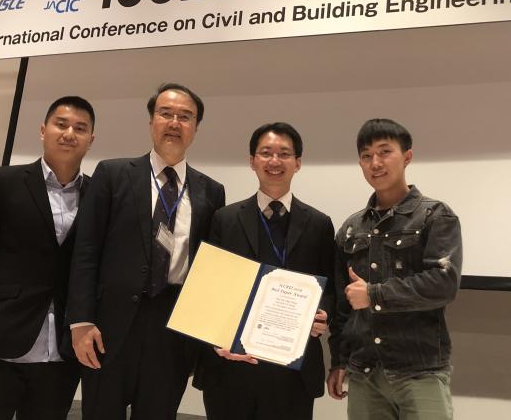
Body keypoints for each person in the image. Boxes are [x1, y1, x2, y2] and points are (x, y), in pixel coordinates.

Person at [66, 83, 225, 420]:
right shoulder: (113, 174)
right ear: (151, 121)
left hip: (173, 331)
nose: (174, 122)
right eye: (165, 113)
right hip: (108, 329)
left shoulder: (211, 191)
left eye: (185, 117)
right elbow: (86, 251)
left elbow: (210, 271)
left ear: (196, 128)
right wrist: (80, 320)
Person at [0, 96, 96, 420]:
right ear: (43, 130)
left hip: (61, 353)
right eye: (61, 124)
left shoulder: (99, 195)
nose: (70, 133)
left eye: (80, 128)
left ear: (91, 140)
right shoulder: (2, 182)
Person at [194, 122, 336, 420]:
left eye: (284, 154)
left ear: (297, 163)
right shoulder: (224, 219)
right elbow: (206, 289)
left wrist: (322, 314)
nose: (274, 161)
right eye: (266, 153)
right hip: (232, 365)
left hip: (291, 372)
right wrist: (215, 339)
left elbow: (330, 290)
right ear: (252, 161)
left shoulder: (319, 224)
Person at [326, 118, 463, 420]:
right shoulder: (350, 229)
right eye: (366, 155)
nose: (375, 163)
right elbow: (341, 307)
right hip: (363, 372)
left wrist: (375, 295)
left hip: (419, 369)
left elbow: (443, 283)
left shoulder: (435, 216)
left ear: (407, 156)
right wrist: (338, 361)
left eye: (385, 151)